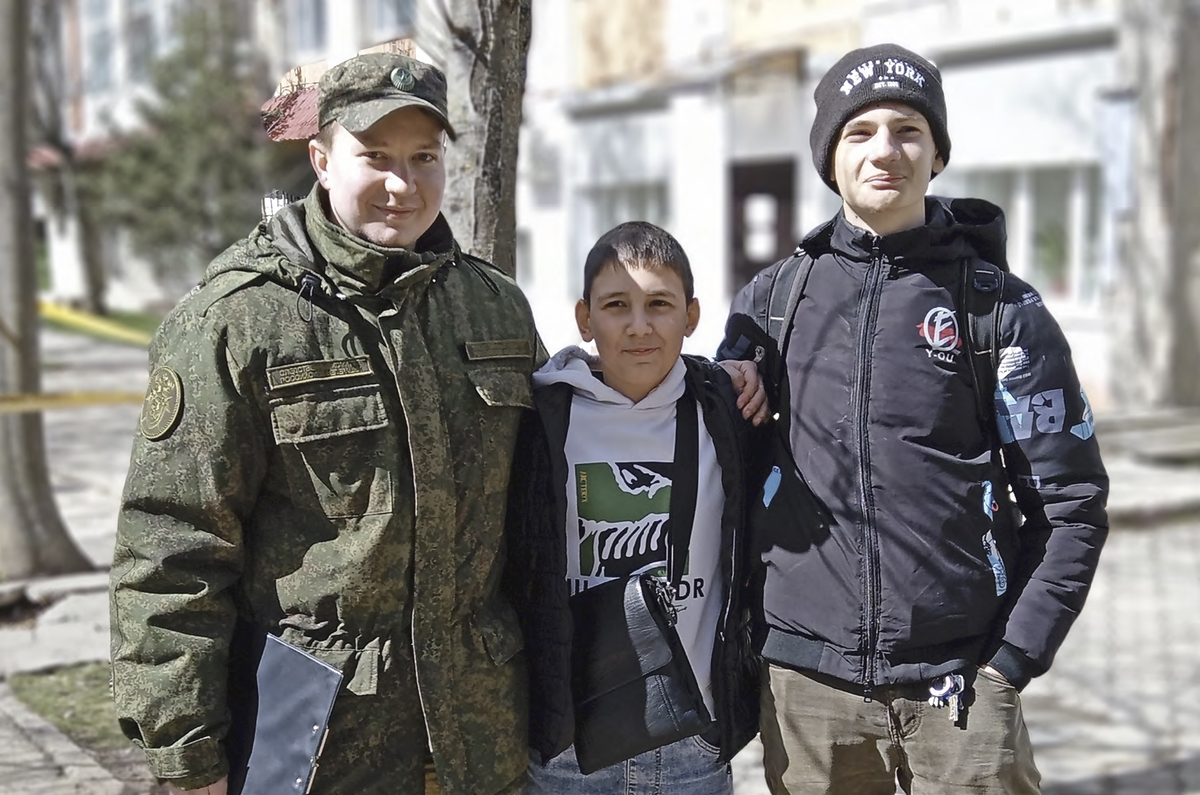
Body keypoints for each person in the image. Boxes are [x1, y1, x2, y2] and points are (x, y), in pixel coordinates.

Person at [109, 53, 544, 795]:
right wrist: (188, 751)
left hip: (480, 739)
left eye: (424, 157)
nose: (404, 185)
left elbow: (553, 488)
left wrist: (715, 381)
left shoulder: (494, 308)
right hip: (319, 746)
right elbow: (173, 545)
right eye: (375, 157)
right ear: (321, 159)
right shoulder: (239, 320)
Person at [718, 43, 1109, 794]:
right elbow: (725, 476)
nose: (884, 151)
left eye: (908, 131)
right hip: (808, 688)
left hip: (963, 685)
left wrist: (1010, 663)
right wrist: (725, 389)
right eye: (859, 132)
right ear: (829, 157)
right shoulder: (771, 303)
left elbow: (1072, 506)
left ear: (937, 155)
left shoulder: (999, 308)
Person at [505, 221, 761, 794]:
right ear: (585, 319)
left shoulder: (724, 410)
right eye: (616, 305)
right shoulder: (537, 418)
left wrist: (750, 374)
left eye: (659, 304)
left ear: (691, 316)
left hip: (693, 736)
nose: (639, 326)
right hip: (568, 744)